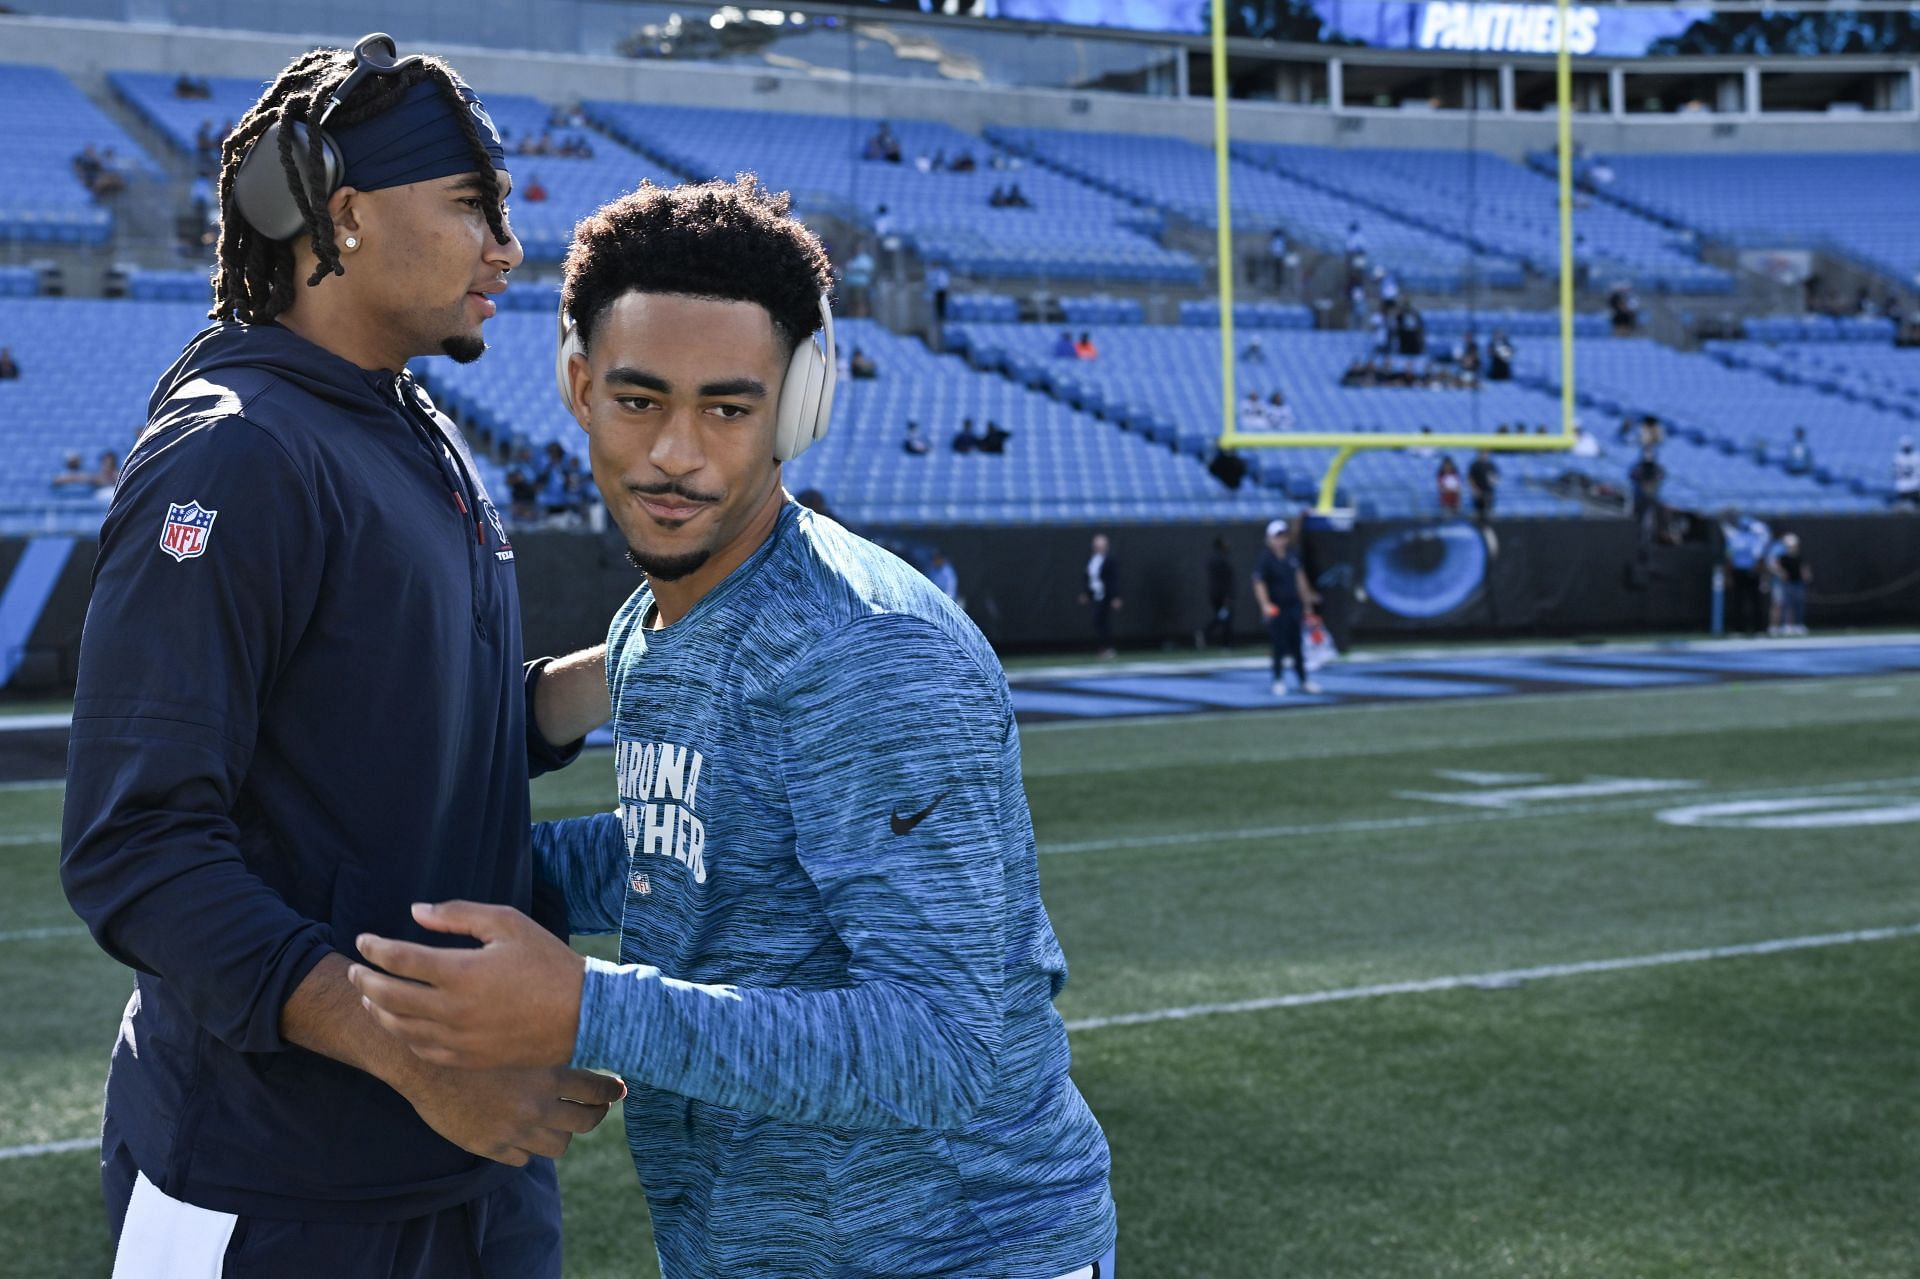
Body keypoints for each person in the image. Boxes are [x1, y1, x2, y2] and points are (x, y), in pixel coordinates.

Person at [351, 176, 1117, 1279]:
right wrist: (481, 879)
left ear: (799, 406)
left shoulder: (872, 650)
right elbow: (704, 846)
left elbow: (944, 1049)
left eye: (728, 405)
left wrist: (582, 1005)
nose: (676, 452)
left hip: (956, 1252)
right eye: (638, 400)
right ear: (576, 384)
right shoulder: (660, 621)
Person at [58, 39, 624, 1278]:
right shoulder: (238, 453)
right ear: (349, 216)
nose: (508, 248)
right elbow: (135, 847)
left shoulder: (414, 428)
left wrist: (638, 666)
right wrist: (418, 1061)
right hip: (276, 1188)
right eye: (473, 205)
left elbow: (429, 728)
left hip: (471, 1166)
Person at [1252, 518, 1321, 696]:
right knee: (1279, 645)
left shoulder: (1292, 555)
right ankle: (1278, 679)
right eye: (1277, 536)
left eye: (1283, 536)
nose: (1281, 540)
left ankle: (1303, 679)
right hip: (1277, 608)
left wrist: (1307, 603)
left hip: (1293, 606)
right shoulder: (1265, 559)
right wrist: (1265, 605)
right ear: (1270, 538)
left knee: (1297, 645)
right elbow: (1259, 583)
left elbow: (1300, 579)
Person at [1720, 509, 1772, 636]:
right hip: (1744, 572)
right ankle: (1744, 629)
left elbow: (1730, 558)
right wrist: (1728, 576)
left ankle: (1756, 629)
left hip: (1748, 572)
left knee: (1751, 601)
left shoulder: (1738, 538)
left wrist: (1728, 575)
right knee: (1743, 601)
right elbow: (1730, 558)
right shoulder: (1740, 538)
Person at [1080, 531, 1121, 658]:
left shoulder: (1109, 560)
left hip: (1106, 595)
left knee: (1101, 620)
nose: (1098, 547)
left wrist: (1115, 596)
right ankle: (1105, 648)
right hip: (1095, 595)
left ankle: (1109, 648)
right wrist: (1086, 593)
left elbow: (1113, 579)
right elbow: (1089, 578)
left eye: (1101, 544)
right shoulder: (1091, 559)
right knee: (1098, 622)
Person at [1769, 532, 1812, 636]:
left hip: (1798, 583)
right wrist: (1781, 573)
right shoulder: (1782, 557)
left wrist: (1806, 575)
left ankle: (1799, 624)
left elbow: (1804, 568)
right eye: (1790, 546)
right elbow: (1774, 566)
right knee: (1786, 604)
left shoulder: (1799, 557)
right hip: (1787, 584)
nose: (1793, 548)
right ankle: (1786, 625)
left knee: (1798, 604)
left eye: (1794, 546)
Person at [1629, 445, 1666, 540]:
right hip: (1640, 498)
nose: (1648, 455)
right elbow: (1632, 475)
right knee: (1639, 521)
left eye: (1650, 453)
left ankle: (1651, 537)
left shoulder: (1656, 468)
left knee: (1651, 521)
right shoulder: (1638, 467)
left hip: (1651, 497)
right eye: (1646, 453)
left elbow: (1662, 476)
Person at [1203, 535, 1234, 647]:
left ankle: (1208, 634)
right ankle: (1207, 633)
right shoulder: (1220, 560)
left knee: (1222, 616)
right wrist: (1227, 596)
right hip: (1221, 595)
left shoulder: (1213, 559)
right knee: (1225, 617)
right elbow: (1224, 580)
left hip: (1215, 594)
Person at [1468, 447, 1499, 523]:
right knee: (1479, 511)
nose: (1484, 454)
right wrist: (1474, 489)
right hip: (1478, 491)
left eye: (1485, 452)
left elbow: (1495, 477)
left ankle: (1488, 526)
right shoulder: (1475, 465)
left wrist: (1494, 481)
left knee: (1488, 510)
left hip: (1488, 491)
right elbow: (1470, 478)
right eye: (1482, 452)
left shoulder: (1491, 465)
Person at [1894, 436, 1920, 509]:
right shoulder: (1917, 457)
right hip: (1914, 485)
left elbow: (1895, 472)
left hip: (1902, 486)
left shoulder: (1897, 457)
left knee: (1905, 508)